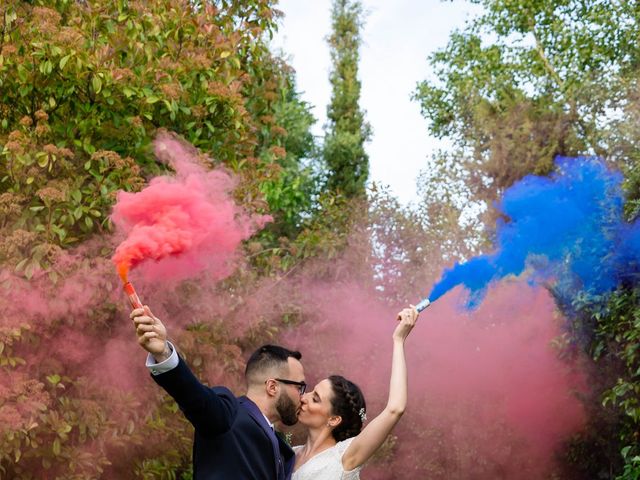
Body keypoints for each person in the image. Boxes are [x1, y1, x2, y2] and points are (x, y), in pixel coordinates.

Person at [131, 306, 306, 480]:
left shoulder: (281, 447)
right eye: (299, 387)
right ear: (272, 387)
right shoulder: (229, 413)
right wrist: (163, 353)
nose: (303, 396)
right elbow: (193, 396)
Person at [291, 306, 419, 479]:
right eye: (310, 392)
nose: (303, 398)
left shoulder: (344, 458)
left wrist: (398, 340)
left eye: (315, 398)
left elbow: (395, 408)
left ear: (334, 419)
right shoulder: (289, 454)